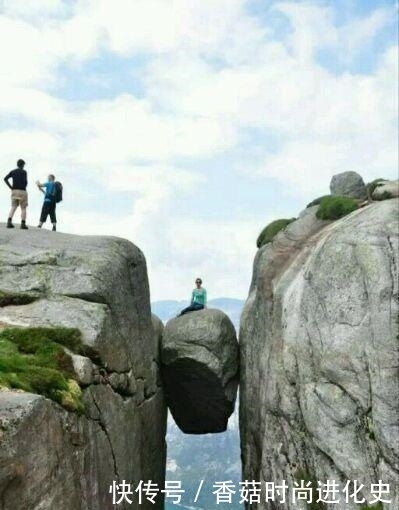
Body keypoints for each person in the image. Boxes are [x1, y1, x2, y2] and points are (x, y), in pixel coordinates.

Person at [3, 159, 28, 229]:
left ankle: (9, 222)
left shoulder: (13, 171)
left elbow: (5, 179)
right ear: (23, 165)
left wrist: (11, 187)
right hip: (22, 191)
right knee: (23, 208)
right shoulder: (24, 172)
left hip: (14, 191)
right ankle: (23, 224)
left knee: (13, 207)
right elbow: (26, 182)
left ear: (17, 164)